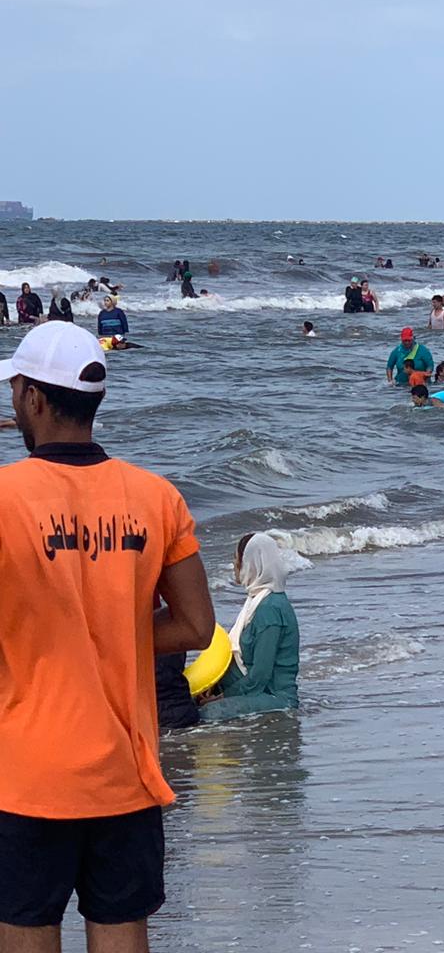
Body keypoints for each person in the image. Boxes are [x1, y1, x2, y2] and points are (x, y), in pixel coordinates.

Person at [0, 321, 215, 949]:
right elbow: (197, 625)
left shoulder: (5, 497)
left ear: (33, 398)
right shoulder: (157, 497)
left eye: (14, 389)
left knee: (25, 929)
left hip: (25, 775)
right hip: (126, 771)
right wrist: (111, 632)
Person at [198, 532, 299, 723]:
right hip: (250, 689)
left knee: (207, 714)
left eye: (237, 559)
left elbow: (260, 675)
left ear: (251, 563)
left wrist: (223, 697)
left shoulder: (270, 610)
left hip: (274, 696)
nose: (234, 565)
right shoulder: (256, 601)